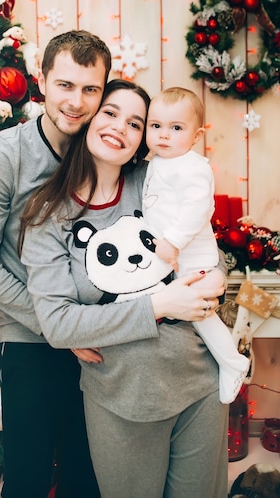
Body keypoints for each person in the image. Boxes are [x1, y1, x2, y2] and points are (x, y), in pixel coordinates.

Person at [20, 79, 228, 498]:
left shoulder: (153, 182)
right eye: (111, 113)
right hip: (121, 396)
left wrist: (219, 272)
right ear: (89, 119)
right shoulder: (50, 212)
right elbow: (59, 324)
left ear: (144, 137)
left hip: (199, 381)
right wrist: (160, 304)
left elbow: (197, 234)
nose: (121, 128)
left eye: (136, 123)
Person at [0, 30, 112, 498]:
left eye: (91, 89)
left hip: (103, 339)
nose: (77, 101)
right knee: (27, 477)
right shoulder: (6, 154)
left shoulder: (108, 150)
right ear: (41, 80)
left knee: (87, 478)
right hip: (32, 338)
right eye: (66, 85)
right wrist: (58, 329)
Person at [142, 87, 249, 404]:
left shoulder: (193, 165)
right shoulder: (156, 163)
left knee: (202, 316)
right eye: (156, 126)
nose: (164, 135)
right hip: (170, 260)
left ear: (197, 135)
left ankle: (232, 362)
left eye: (176, 128)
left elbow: (197, 207)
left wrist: (172, 241)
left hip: (192, 259)